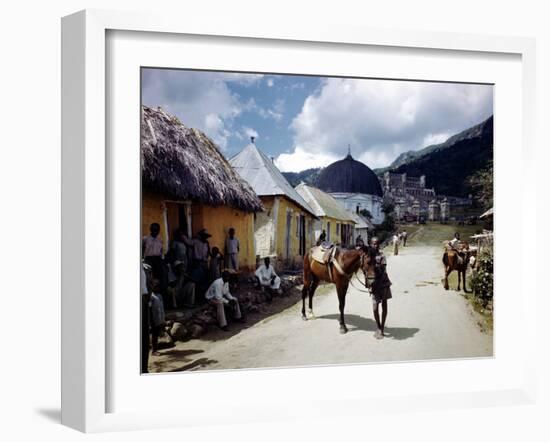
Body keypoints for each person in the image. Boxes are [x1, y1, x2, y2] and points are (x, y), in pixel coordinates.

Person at [370, 237, 392, 339]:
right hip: (374, 285)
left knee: (384, 306)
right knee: (375, 309)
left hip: (383, 284)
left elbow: (383, 270)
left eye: (377, 244)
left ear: (379, 245)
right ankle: (378, 327)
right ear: (371, 244)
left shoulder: (382, 255)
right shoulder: (369, 257)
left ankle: (382, 328)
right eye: (373, 244)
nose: (375, 245)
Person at [142, 223, 169, 307]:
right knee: (148, 278)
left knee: (163, 277)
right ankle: (148, 298)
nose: (155, 231)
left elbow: (161, 251)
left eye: (157, 230)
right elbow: (142, 249)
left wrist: (162, 260)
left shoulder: (160, 239)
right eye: (153, 229)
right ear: (150, 229)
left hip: (157, 259)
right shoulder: (145, 239)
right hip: (148, 259)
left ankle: (163, 300)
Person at [169, 229, 195, 307]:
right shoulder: (174, 243)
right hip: (178, 261)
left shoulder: (183, 243)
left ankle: (188, 303)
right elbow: (172, 253)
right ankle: (175, 305)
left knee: (189, 283)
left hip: (184, 261)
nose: (181, 236)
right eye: (180, 234)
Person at [149, 279, 166, 356]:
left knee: (157, 334)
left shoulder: (159, 295)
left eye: (158, 286)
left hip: (160, 319)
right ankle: (154, 351)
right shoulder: (151, 297)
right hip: (154, 319)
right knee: (154, 335)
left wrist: (163, 319)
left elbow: (161, 308)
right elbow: (150, 309)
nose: (156, 287)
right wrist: (151, 321)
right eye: (155, 286)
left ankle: (156, 349)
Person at [141, 262, 152, 373]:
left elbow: (150, 285)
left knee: (144, 337)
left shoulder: (146, 268)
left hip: (144, 300)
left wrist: (147, 300)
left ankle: (144, 368)